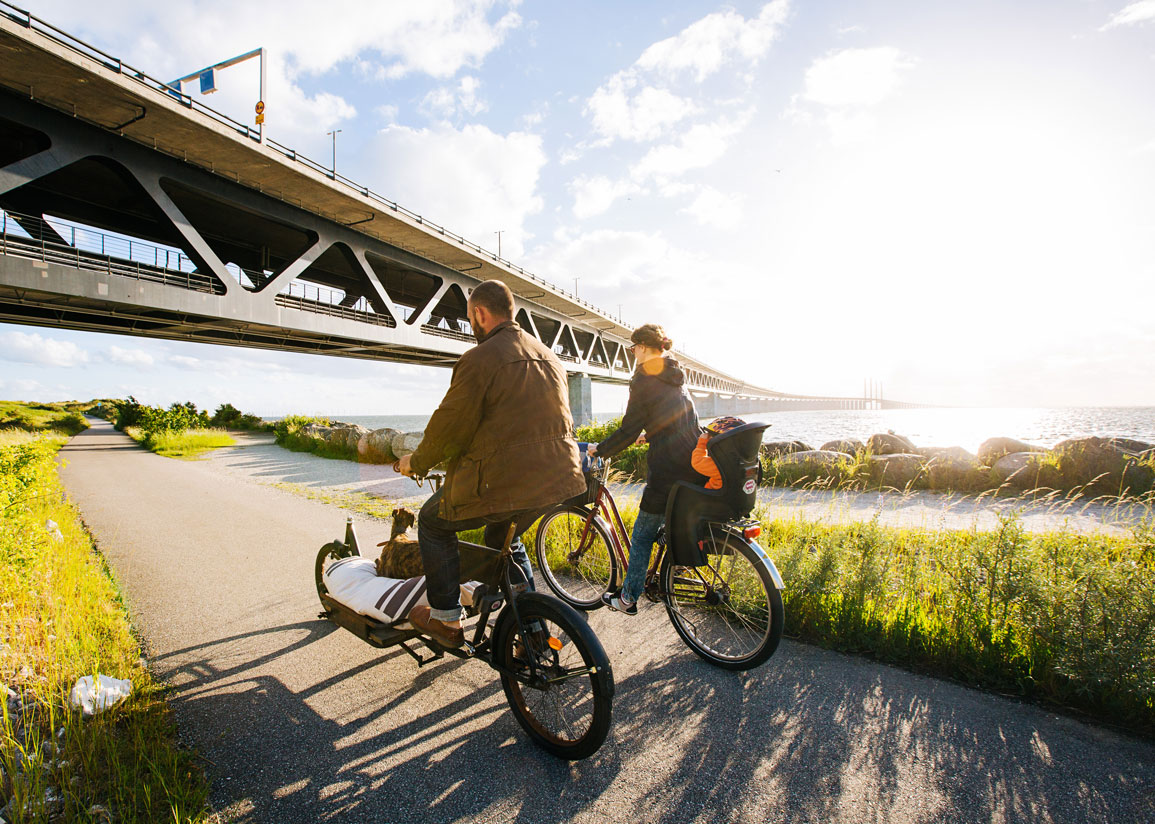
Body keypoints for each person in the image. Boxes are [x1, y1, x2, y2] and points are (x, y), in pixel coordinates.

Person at [396, 280, 586, 647]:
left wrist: (416, 463)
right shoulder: (550, 356)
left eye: (469, 318)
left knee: (433, 522)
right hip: (561, 479)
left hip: (506, 483)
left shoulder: (478, 359)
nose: (471, 325)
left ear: (480, 314)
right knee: (503, 535)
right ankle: (530, 624)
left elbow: (448, 428)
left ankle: (447, 622)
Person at [588, 323, 705, 616]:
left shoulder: (643, 378)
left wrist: (600, 449)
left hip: (668, 469)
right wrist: (651, 433)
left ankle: (628, 598)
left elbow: (628, 430)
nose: (632, 354)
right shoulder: (675, 373)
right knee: (662, 527)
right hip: (692, 461)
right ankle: (673, 568)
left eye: (632, 348)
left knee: (641, 536)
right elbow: (676, 417)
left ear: (640, 347)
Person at [691, 416, 746, 490]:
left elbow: (697, 461)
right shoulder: (747, 461)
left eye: (710, 436)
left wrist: (702, 444)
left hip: (714, 499)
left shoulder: (721, 465)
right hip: (738, 498)